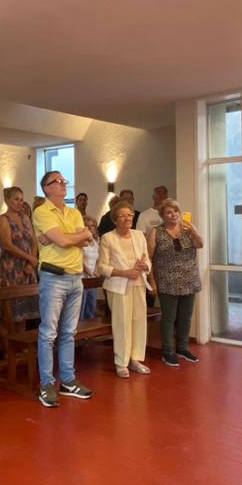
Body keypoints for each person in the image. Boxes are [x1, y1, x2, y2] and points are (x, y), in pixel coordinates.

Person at [32, 171, 96, 407]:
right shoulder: (41, 211)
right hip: (53, 278)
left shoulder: (74, 212)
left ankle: (68, 381)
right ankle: (47, 384)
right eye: (57, 181)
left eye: (64, 181)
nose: (62, 184)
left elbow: (87, 237)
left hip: (75, 278)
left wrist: (69, 237)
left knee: (69, 333)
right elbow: (66, 241)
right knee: (49, 333)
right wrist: (71, 237)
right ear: (46, 188)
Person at [146, 200, 204, 366]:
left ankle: (183, 348)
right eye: (169, 212)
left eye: (176, 211)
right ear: (163, 216)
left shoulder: (188, 229)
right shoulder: (156, 232)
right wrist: (152, 282)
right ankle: (168, 351)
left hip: (189, 279)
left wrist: (193, 231)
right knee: (169, 318)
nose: (173, 215)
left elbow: (200, 245)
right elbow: (148, 258)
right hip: (167, 281)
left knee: (185, 318)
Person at [98, 202, 151, 378]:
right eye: (123, 215)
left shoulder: (139, 236)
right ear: (115, 219)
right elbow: (102, 267)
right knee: (122, 323)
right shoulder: (107, 238)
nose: (128, 218)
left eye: (130, 215)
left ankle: (135, 359)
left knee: (138, 321)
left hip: (138, 284)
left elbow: (148, 261)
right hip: (118, 286)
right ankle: (121, 362)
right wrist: (124, 272)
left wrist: (145, 266)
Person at [80, 215, 101, 320]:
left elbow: (98, 258)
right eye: (86, 226)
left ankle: (89, 331)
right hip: (82, 277)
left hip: (93, 277)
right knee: (81, 306)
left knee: (91, 305)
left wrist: (96, 270)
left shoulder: (96, 241)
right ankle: (79, 330)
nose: (89, 228)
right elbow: (80, 259)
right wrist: (88, 272)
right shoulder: (79, 241)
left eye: (92, 226)